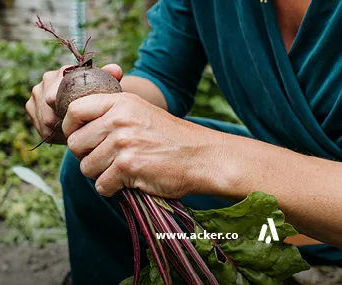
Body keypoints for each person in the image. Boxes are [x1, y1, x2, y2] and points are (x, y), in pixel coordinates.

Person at [27, 0, 342, 284]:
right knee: (105, 160)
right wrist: (92, 105)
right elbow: (162, 78)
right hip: (276, 216)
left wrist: (208, 157)